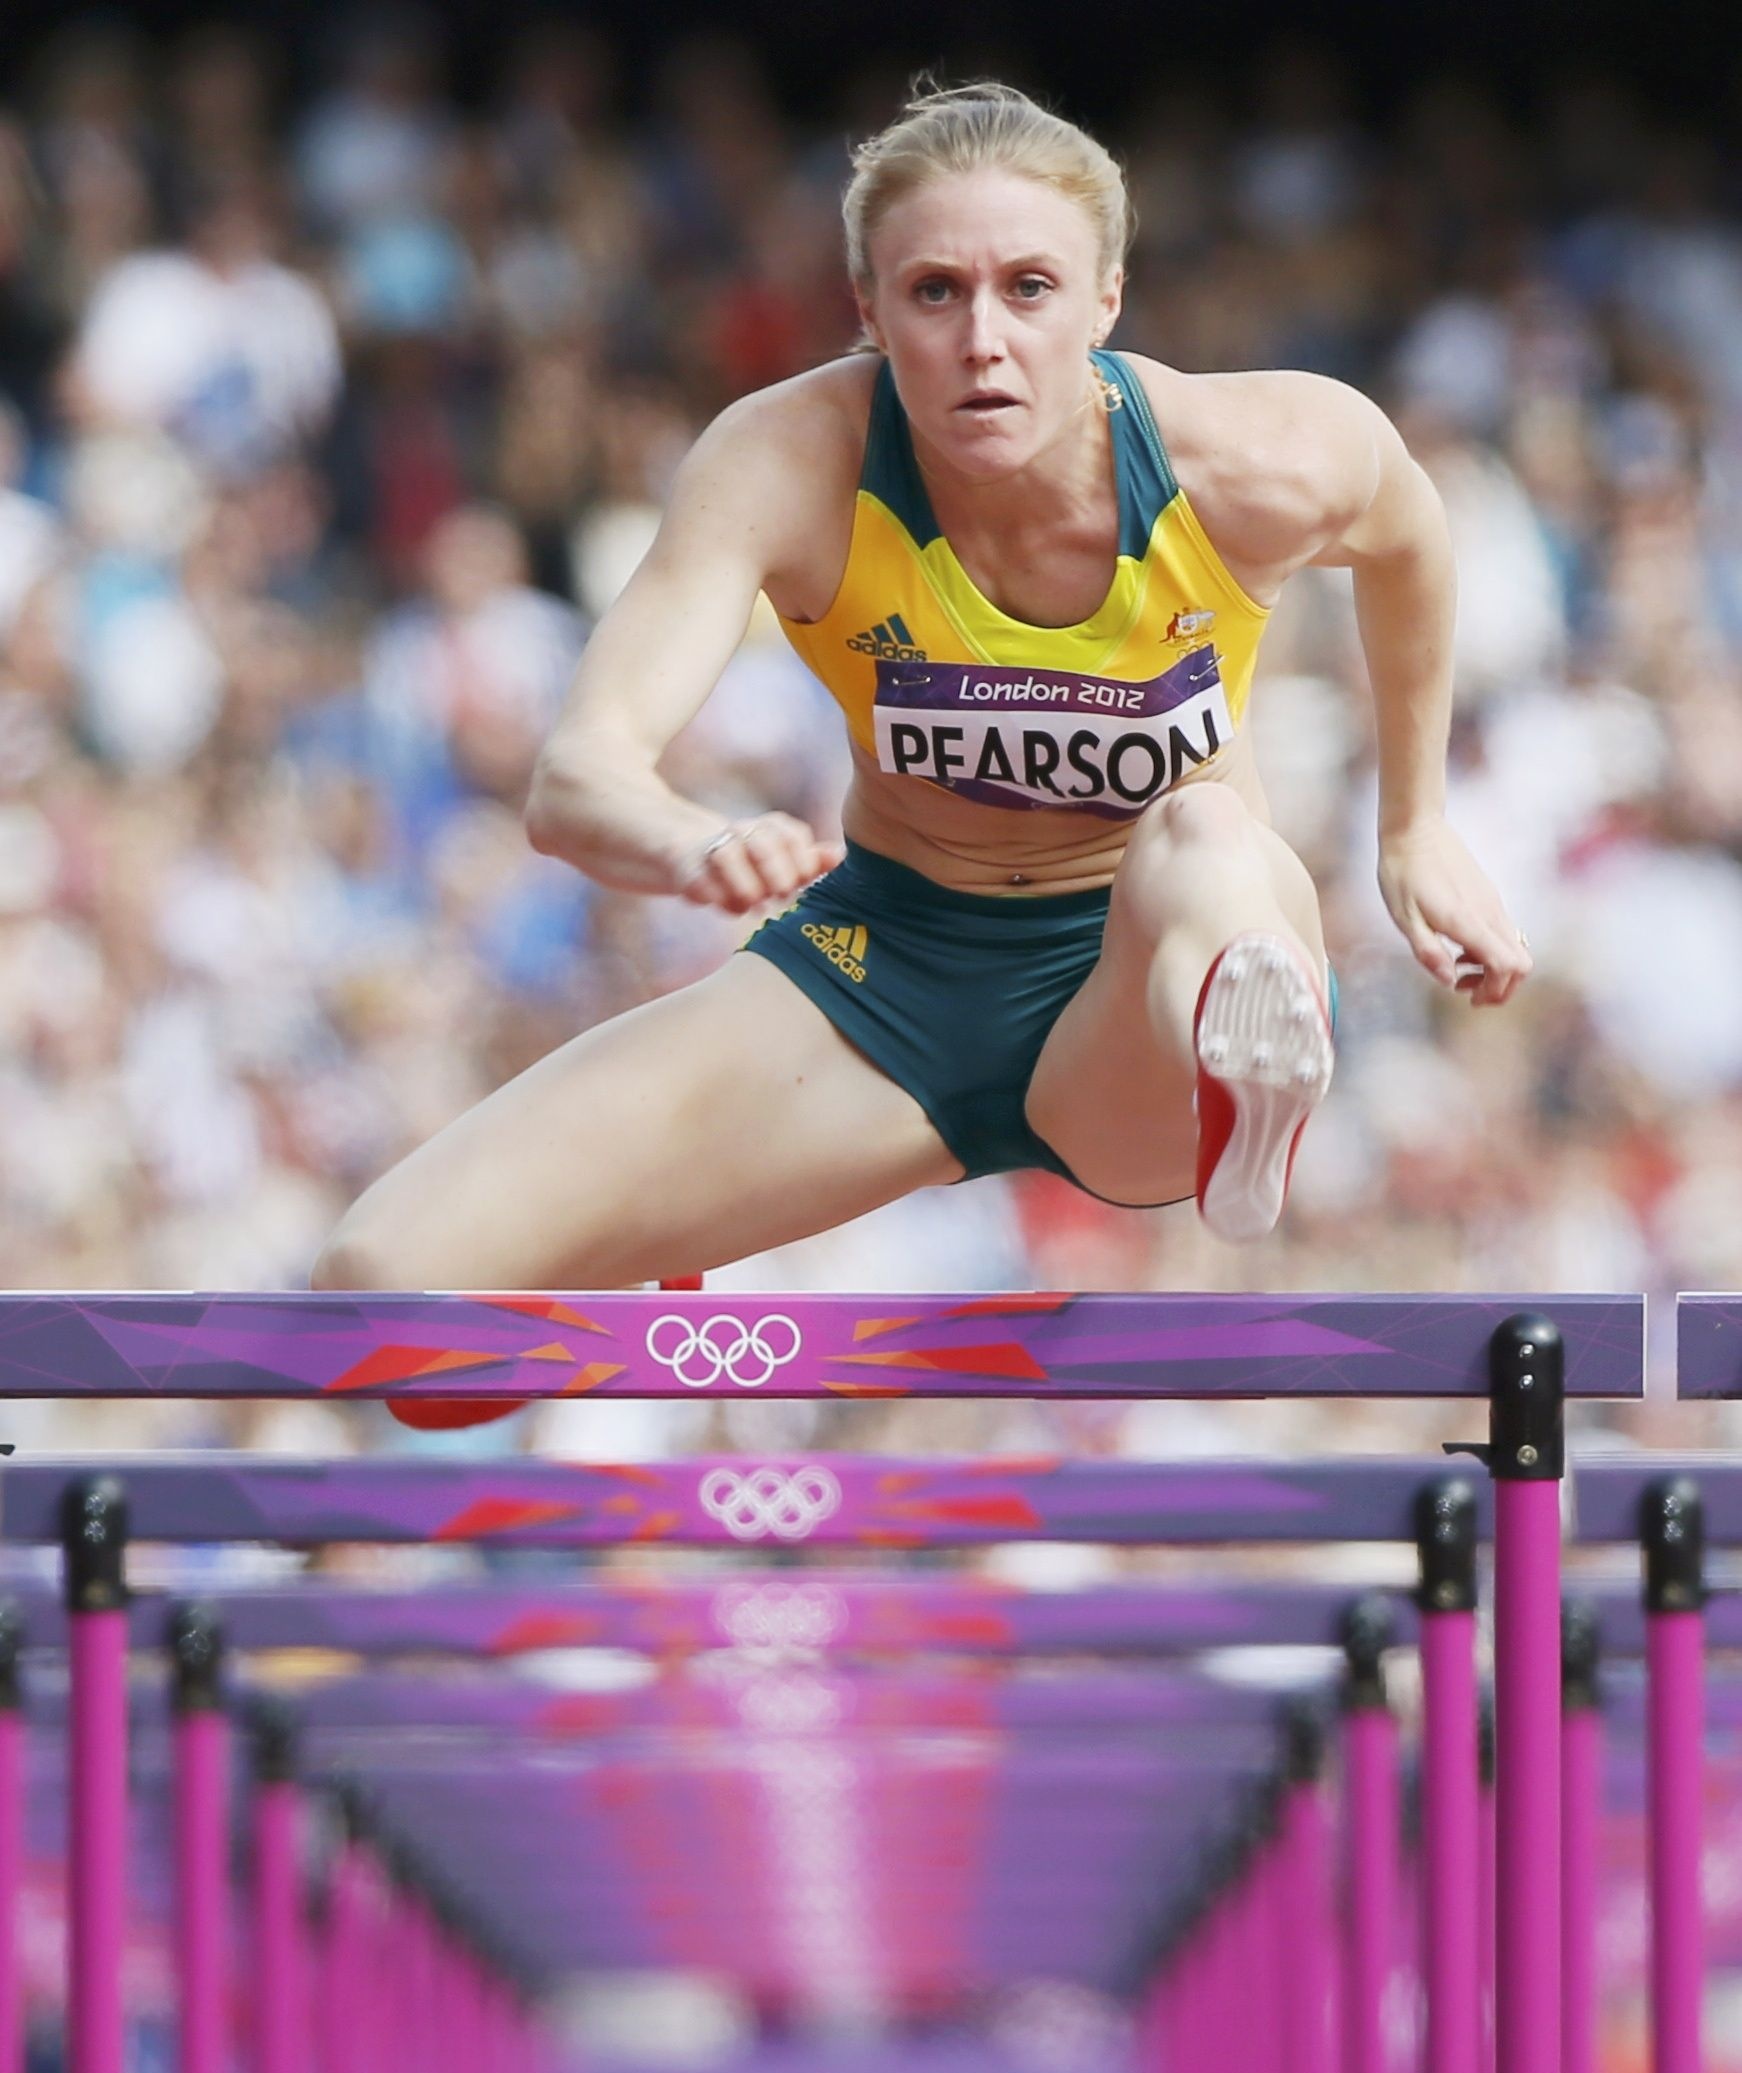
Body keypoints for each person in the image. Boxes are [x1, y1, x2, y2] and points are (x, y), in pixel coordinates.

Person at [314, 79, 1529, 1339]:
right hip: (886, 975)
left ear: (1106, 299)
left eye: (1029, 289)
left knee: (1200, 838)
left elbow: (1408, 536)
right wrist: (699, 842)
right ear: (869, 313)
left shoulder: (1250, 459)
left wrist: (1414, 828)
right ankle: (635, 1311)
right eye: (934, 291)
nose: (981, 338)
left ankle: (1245, 1079)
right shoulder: (789, 462)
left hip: (1146, 991)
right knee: (383, 1287)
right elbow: (576, 775)